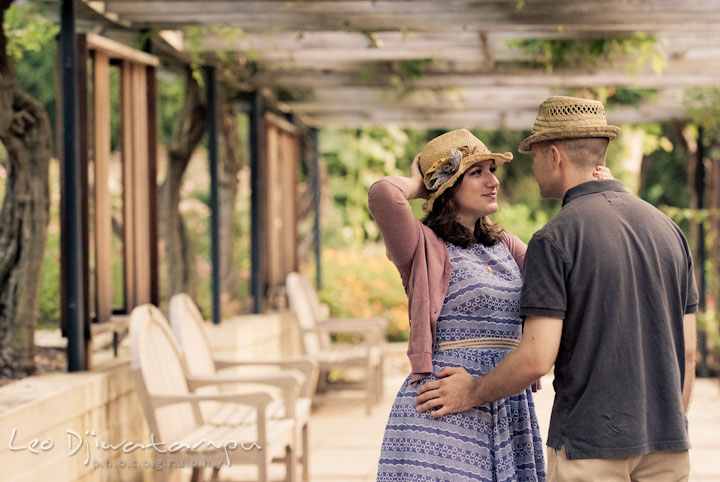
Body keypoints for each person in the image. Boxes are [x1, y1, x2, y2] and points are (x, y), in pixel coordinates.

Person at [415, 97, 698, 482]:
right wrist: (671, 423)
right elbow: (690, 351)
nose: (532, 168)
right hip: (669, 448)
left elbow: (536, 358)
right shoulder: (669, 230)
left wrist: (472, 391)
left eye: (532, 155)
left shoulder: (556, 239)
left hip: (589, 450)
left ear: (554, 155)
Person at [369, 128, 611, 481]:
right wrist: (424, 183)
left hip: (506, 402)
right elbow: (383, 195)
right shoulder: (420, 244)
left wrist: (602, 193)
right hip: (443, 404)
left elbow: (572, 276)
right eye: (476, 172)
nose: (492, 181)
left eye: (492, 170)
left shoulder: (506, 246)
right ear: (449, 185)